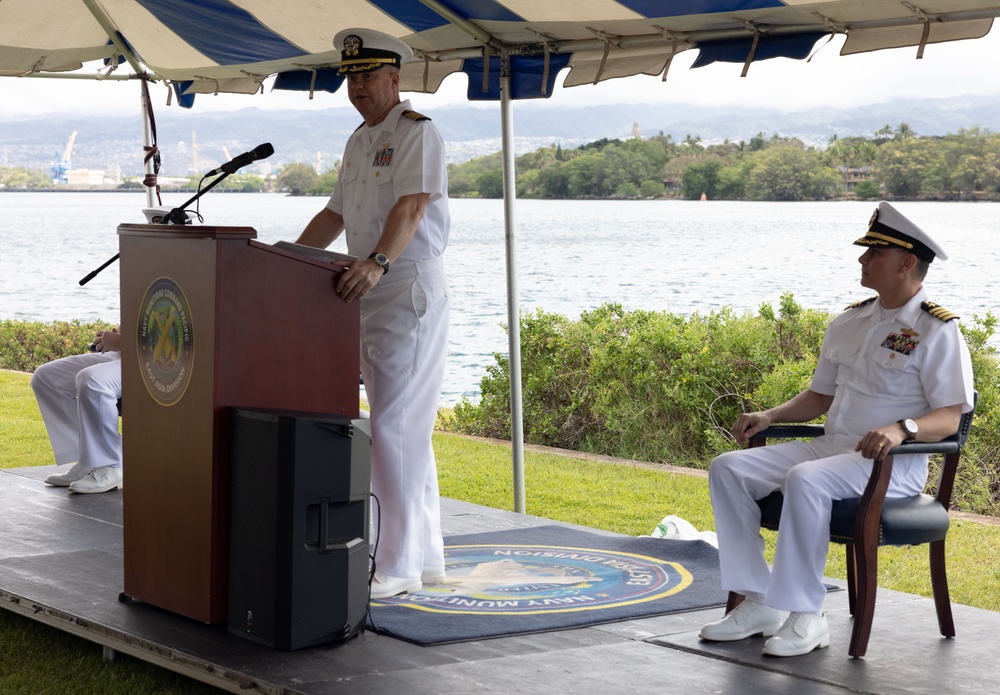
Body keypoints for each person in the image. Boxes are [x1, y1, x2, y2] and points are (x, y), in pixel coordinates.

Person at [699, 202, 975, 657]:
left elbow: (950, 417)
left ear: (907, 263)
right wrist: (769, 416)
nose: (862, 261)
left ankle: (807, 616)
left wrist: (902, 429)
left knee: (805, 479)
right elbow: (818, 398)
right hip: (834, 448)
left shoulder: (937, 331)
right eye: (865, 253)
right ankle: (759, 601)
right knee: (728, 469)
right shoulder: (849, 322)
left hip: (890, 464)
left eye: (874, 254)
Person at [294, 28, 451, 600]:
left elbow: (411, 206)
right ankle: (425, 556)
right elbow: (335, 213)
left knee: (393, 426)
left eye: (368, 76)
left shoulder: (417, 133)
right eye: (351, 77)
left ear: (395, 78)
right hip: (365, 284)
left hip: (402, 284)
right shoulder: (360, 139)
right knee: (402, 425)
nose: (358, 87)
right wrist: (288, 261)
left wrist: (379, 261)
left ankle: (399, 562)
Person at [31, 325, 124, 494]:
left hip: (153, 360)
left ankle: (113, 463)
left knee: (91, 379)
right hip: (120, 353)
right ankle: (90, 458)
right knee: (45, 376)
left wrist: (120, 341)